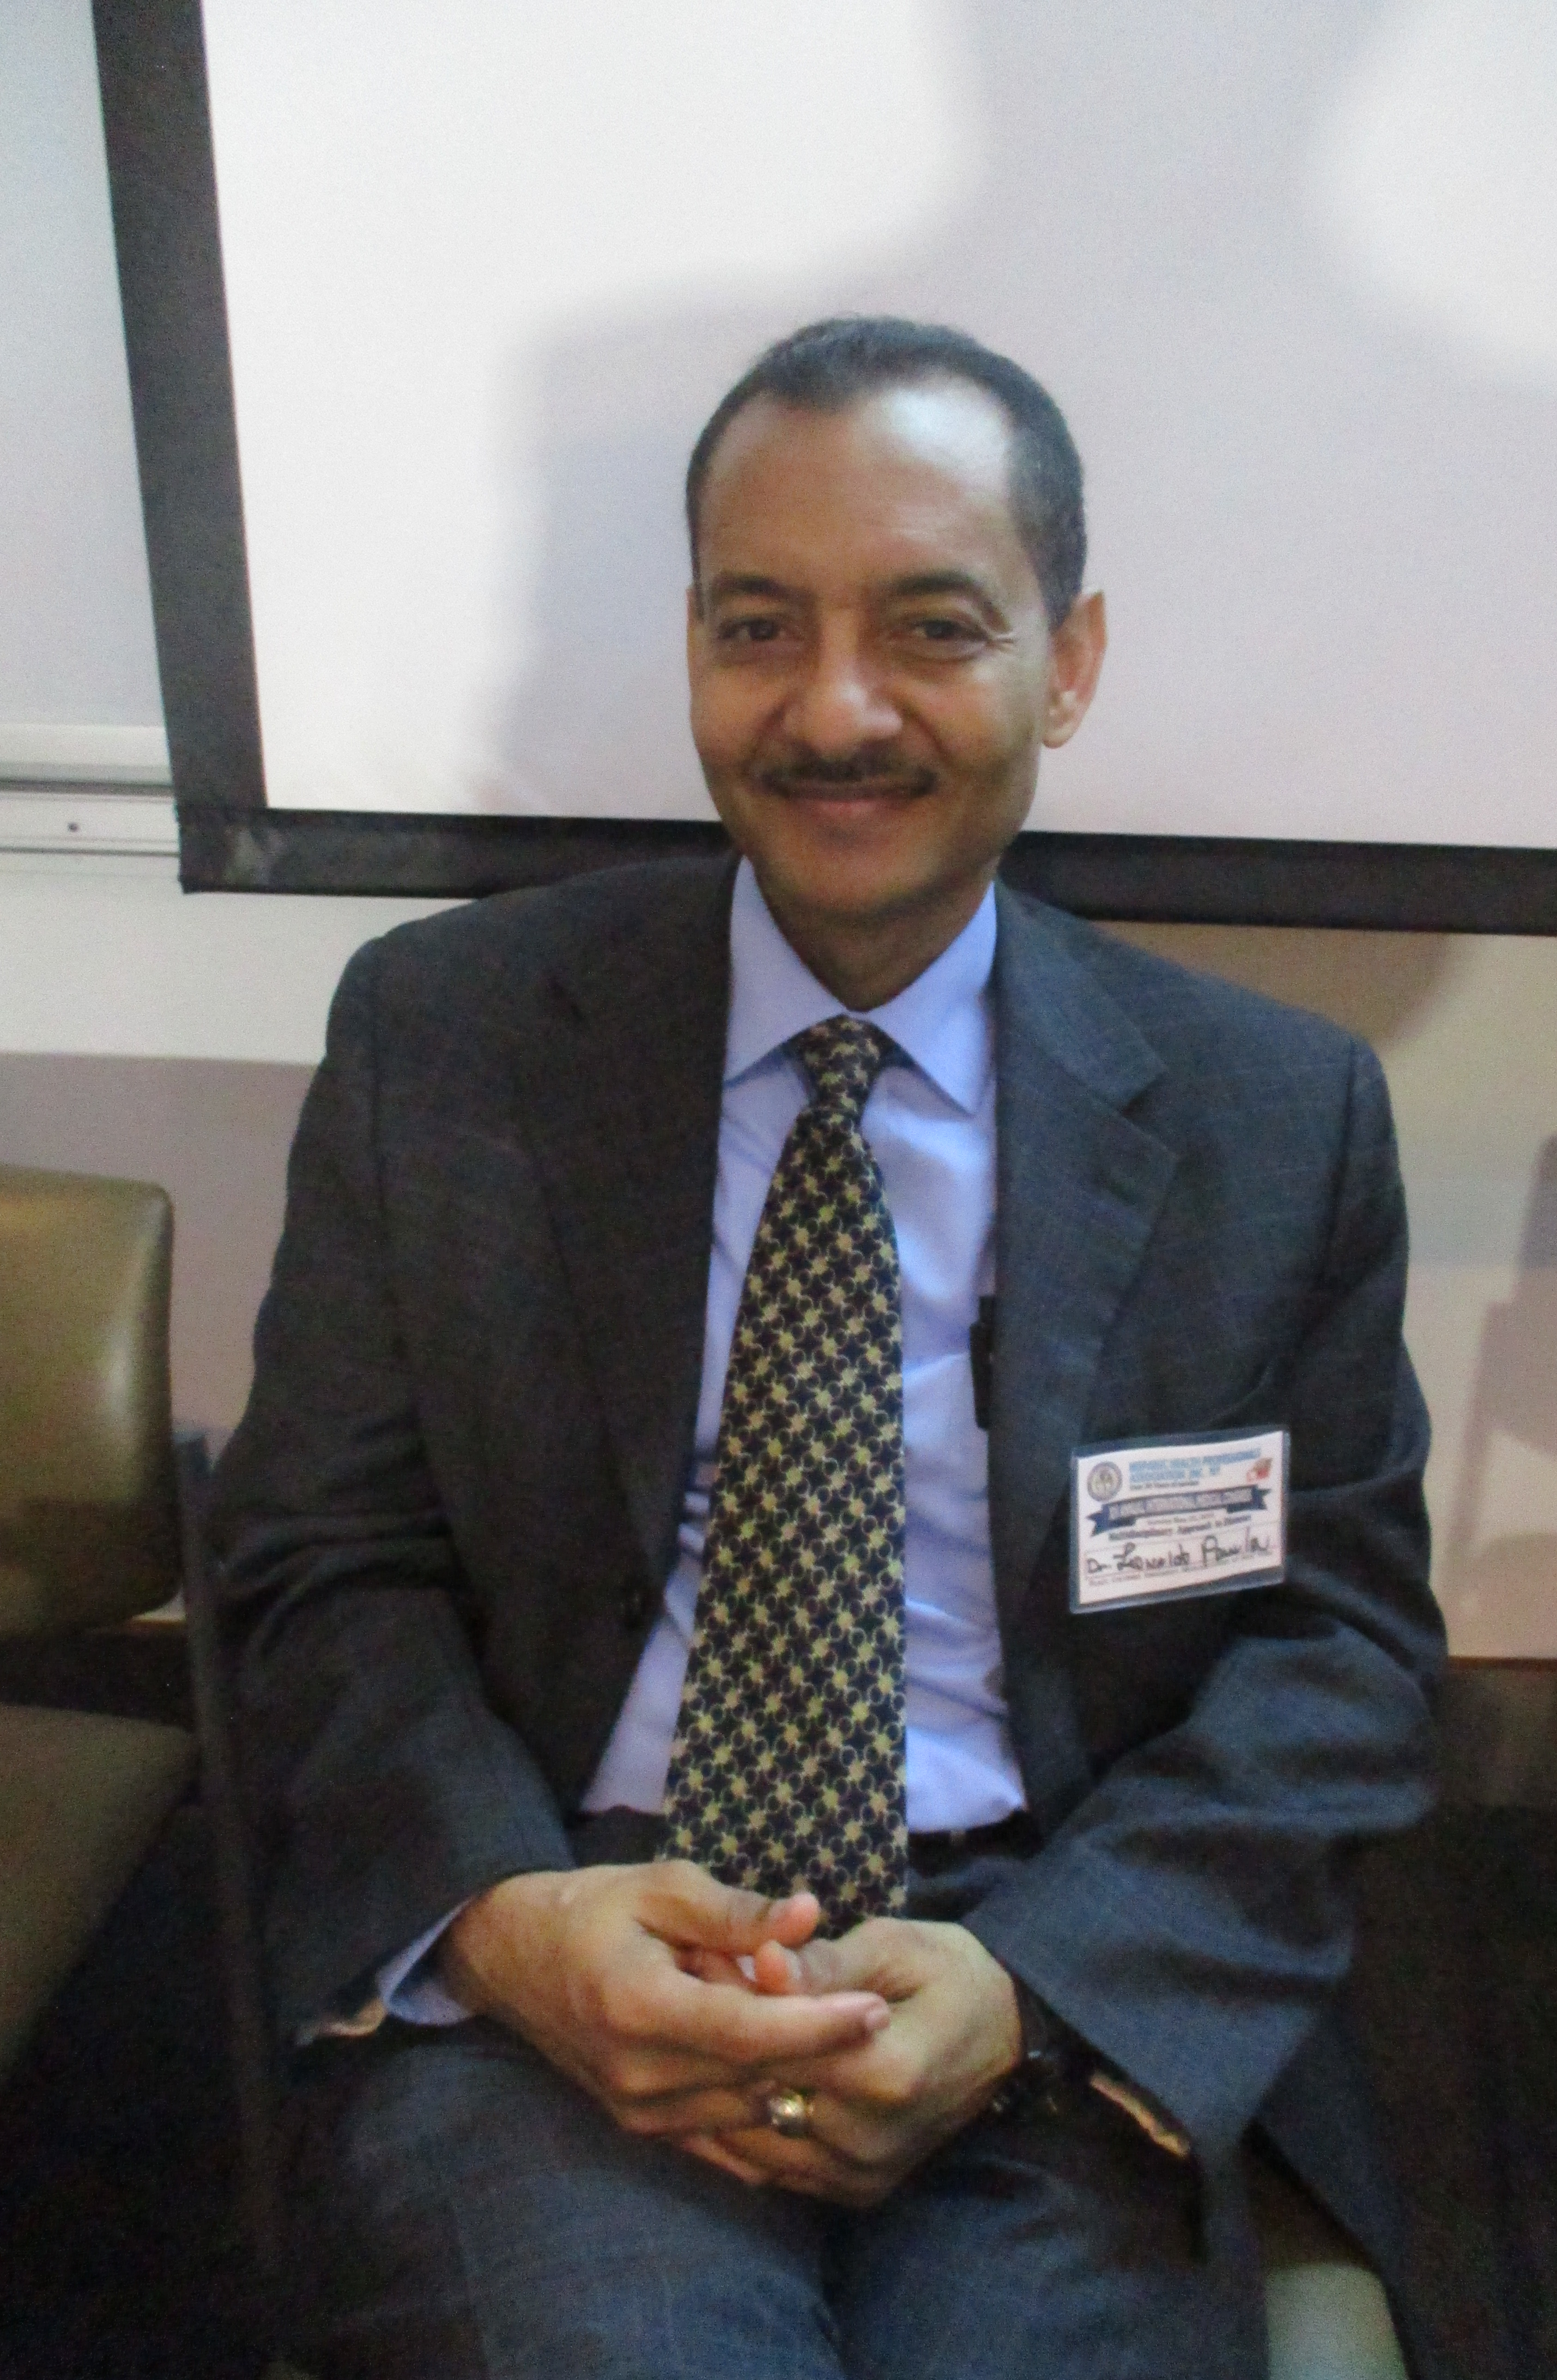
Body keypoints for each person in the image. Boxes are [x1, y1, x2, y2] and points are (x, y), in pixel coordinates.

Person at [211, 316, 1444, 2379]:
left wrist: (1036, 1990)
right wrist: (510, 1925)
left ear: (1070, 663)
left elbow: (1339, 1650)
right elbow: (322, 1566)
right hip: (572, 1956)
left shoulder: (1271, 1117)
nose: (835, 709)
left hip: (1042, 1960)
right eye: (758, 627)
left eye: (932, 628)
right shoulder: (450, 1039)